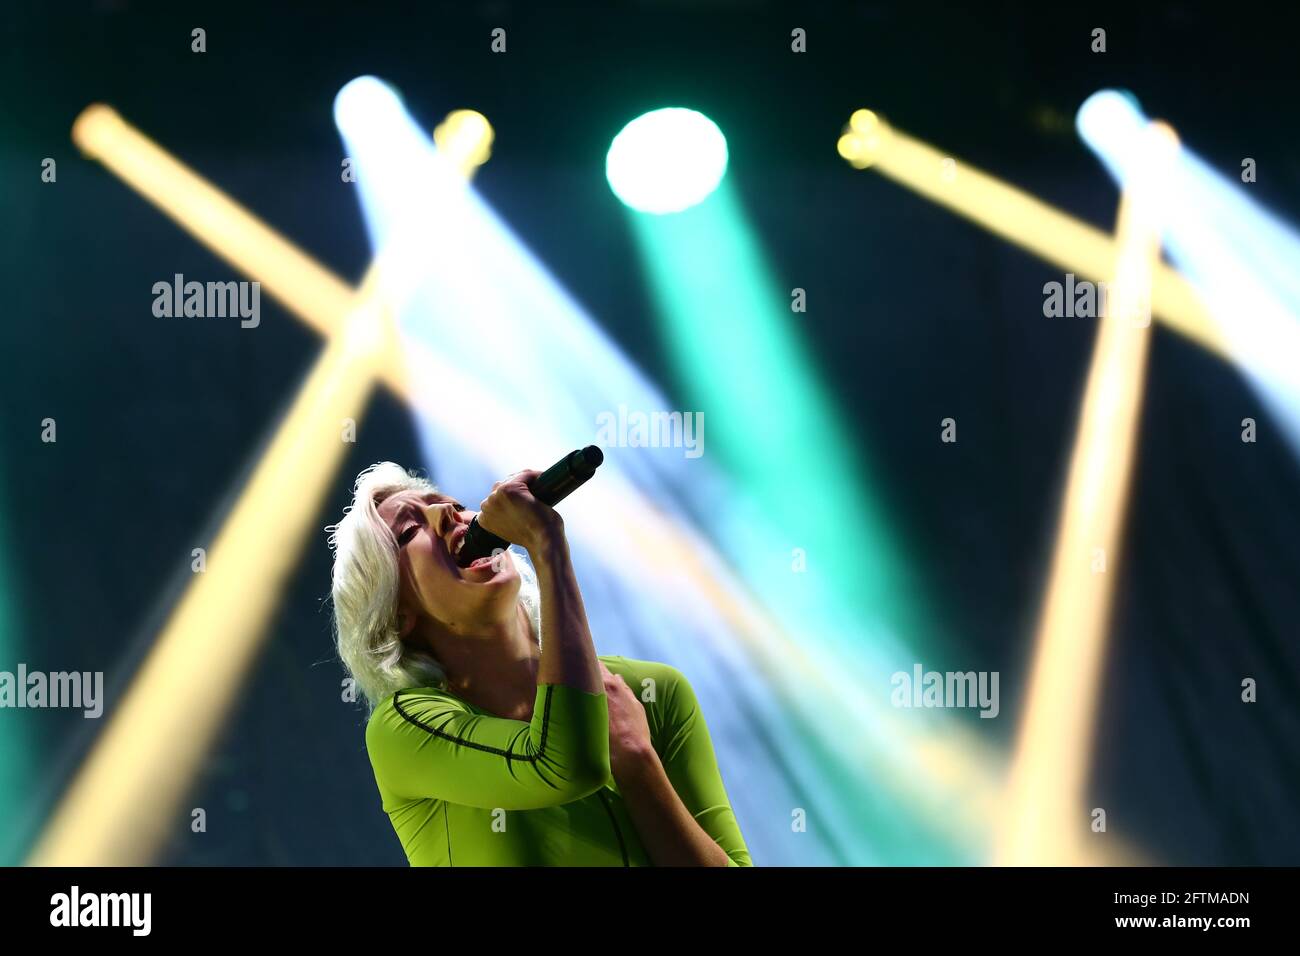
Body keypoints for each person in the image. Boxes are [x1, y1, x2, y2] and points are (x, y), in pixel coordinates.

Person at [326, 461, 752, 866]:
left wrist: (641, 766)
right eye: (409, 530)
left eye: (455, 505)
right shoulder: (406, 729)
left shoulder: (652, 692)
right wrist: (549, 548)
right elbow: (561, 764)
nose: (446, 512)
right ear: (397, 614)